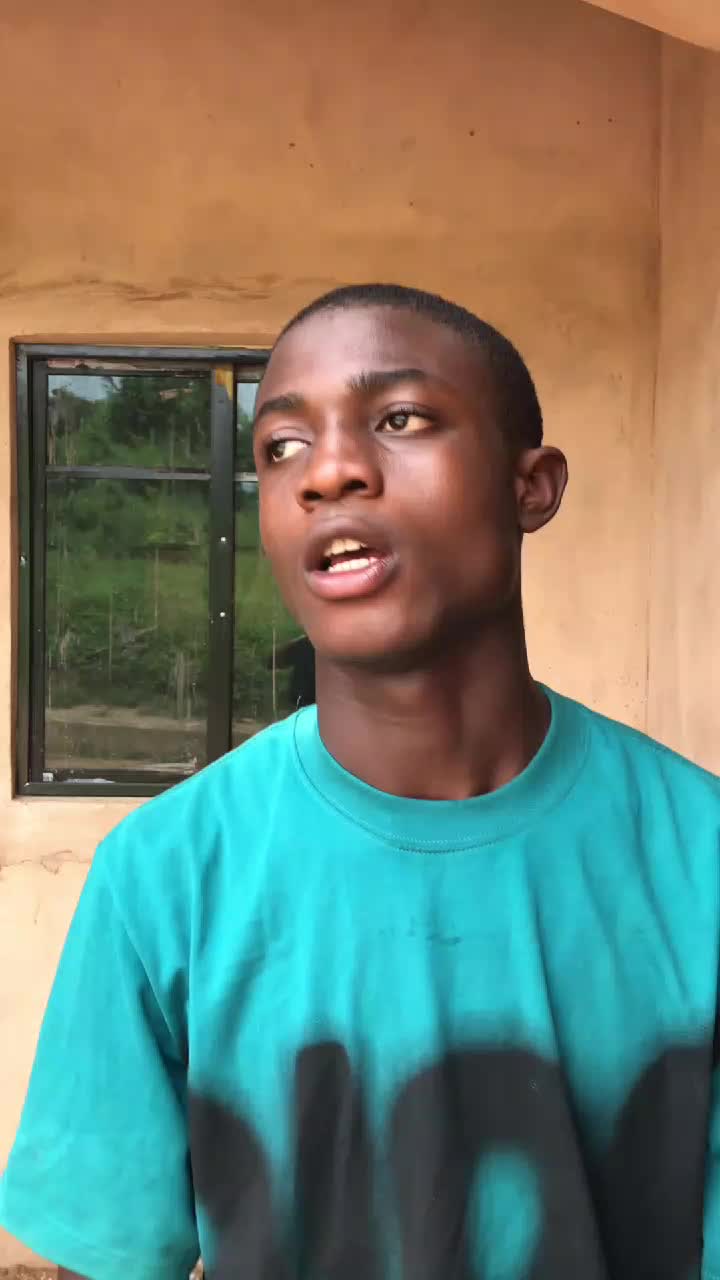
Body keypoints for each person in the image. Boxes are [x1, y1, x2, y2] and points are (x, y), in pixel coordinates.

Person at [1, 283, 719, 1280]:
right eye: (280, 446)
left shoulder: (700, 857)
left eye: (401, 419)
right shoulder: (163, 878)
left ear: (532, 486)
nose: (329, 470)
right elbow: (111, 1252)